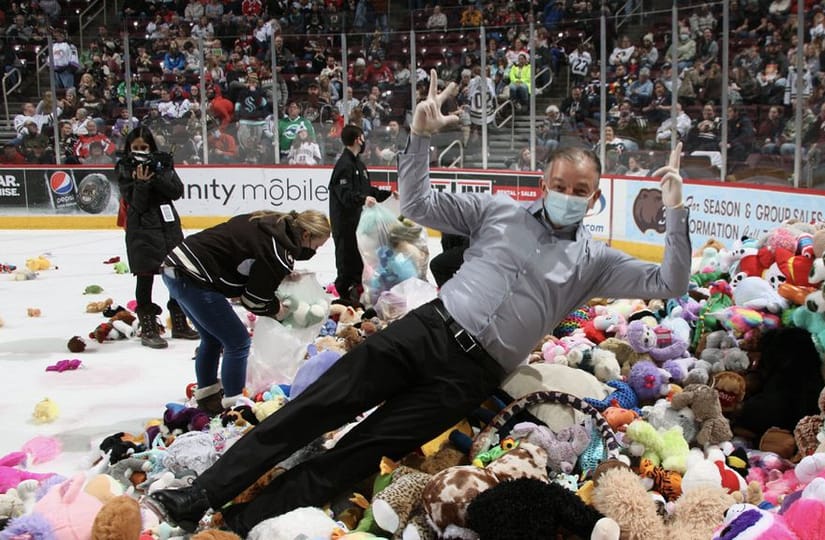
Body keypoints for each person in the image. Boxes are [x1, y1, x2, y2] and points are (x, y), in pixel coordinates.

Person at [146, 70, 691, 536]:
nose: (568, 196)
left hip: (470, 376)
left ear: (594, 198)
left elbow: (669, 281)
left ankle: (240, 524)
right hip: (426, 331)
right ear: (542, 182)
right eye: (561, 185)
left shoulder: (595, 261)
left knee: (359, 451)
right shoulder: (498, 211)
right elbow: (419, 203)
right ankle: (200, 495)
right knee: (311, 409)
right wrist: (420, 138)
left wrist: (675, 213)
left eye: (580, 191)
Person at [160, 210, 331, 415]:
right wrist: (276, 309)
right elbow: (254, 300)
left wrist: (279, 275)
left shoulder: (271, 223)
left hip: (177, 267)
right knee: (237, 341)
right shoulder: (278, 251)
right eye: (316, 246)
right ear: (306, 235)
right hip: (194, 276)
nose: (315, 251)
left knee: (212, 339)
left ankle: (207, 396)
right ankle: (236, 407)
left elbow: (249, 258)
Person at [116, 126, 198, 349]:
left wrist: (157, 175)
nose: (140, 151)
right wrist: (142, 183)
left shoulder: (162, 163)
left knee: (176, 274)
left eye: (144, 147)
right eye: (136, 147)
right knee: (145, 278)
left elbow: (176, 191)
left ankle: (179, 323)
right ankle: (149, 328)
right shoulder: (124, 167)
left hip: (168, 227)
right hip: (142, 230)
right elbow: (137, 204)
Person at [328, 124, 392, 307]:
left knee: (359, 258)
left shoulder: (359, 165)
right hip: (345, 223)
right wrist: (363, 199)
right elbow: (345, 194)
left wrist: (388, 194)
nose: (364, 141)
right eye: (363, 137)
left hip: (359, 222)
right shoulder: (344, 165)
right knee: (346, 258)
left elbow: (367, 190)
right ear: (358, 139)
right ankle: (345, 292)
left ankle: (357, 290)